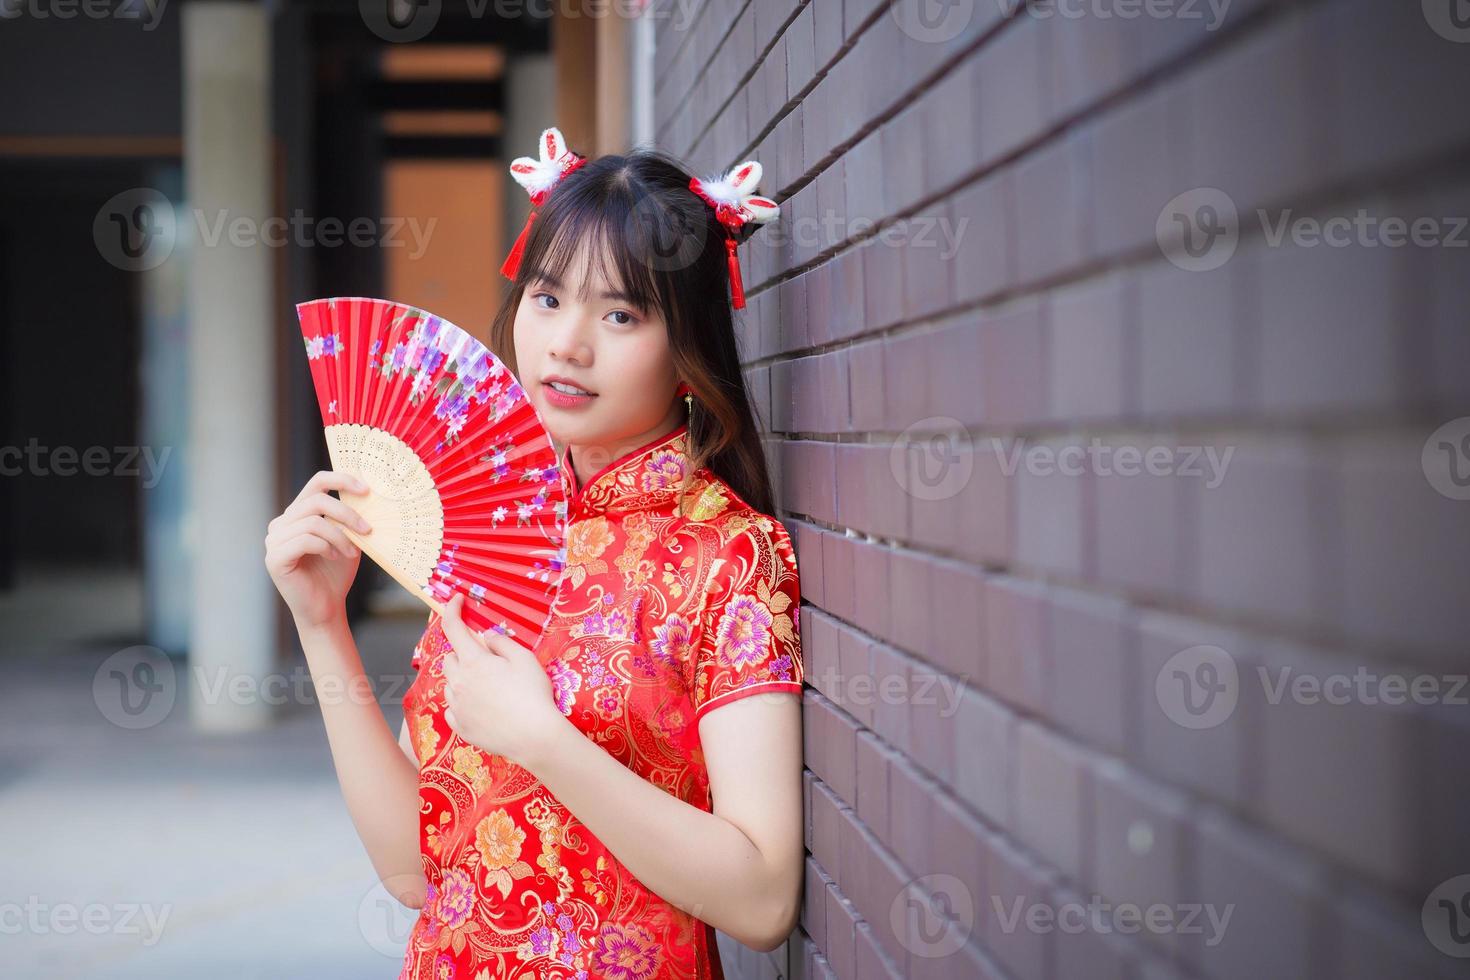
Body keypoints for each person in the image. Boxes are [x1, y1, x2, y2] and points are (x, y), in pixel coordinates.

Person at [265, 128, 805, 980]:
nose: (566, 343)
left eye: (621, 314)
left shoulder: (727, 553)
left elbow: (764, 900)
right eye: (548, 299)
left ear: (688, 351)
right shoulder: (489, 530)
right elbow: (417, 871)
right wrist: (321, 623)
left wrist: (544, 742)